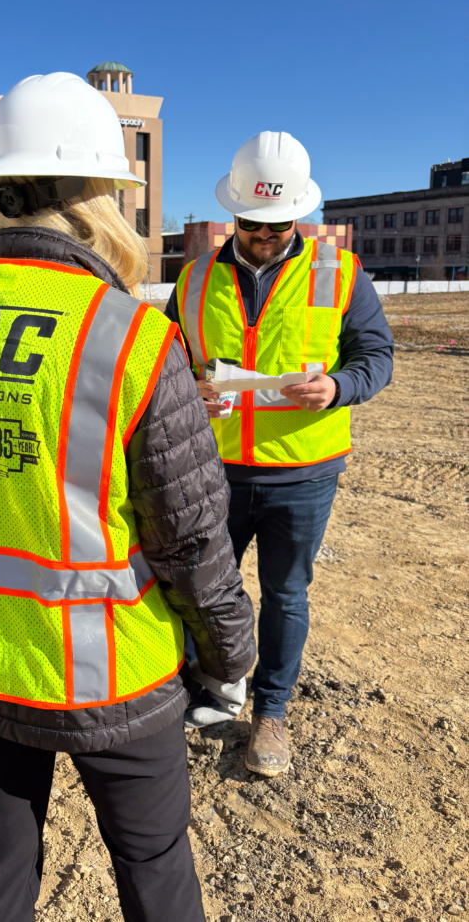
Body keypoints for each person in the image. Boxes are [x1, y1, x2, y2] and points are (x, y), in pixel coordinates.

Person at [0, 73, 256, 922]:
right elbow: (192, 541)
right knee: (154, 862)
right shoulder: (128, 334)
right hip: (109, 673)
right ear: (101, 201)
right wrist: (229, 657)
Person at [166, 131, 394, 776]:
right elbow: (167, 362)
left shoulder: (340, 273)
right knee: (204, 588)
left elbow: (377, 358)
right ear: (232, 213)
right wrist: (190, 394)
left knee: (285, 593)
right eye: (251, 223)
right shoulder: (195, 275)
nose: (264, 235)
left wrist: (338, 386)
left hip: (304, 470)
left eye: (278, 223)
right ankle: (211, 691)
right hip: (215, 468)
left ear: (300, 214)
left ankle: (271, 712)